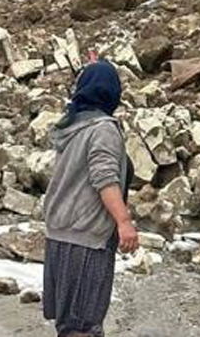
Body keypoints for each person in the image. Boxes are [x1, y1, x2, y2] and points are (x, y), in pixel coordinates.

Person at [43, 60, 138, 337]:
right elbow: (104, 178)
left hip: (60, 234)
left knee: (70, 324)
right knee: (83, 325)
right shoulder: (102, 129)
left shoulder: (72, 127)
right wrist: (124, 221)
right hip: (86, 238)